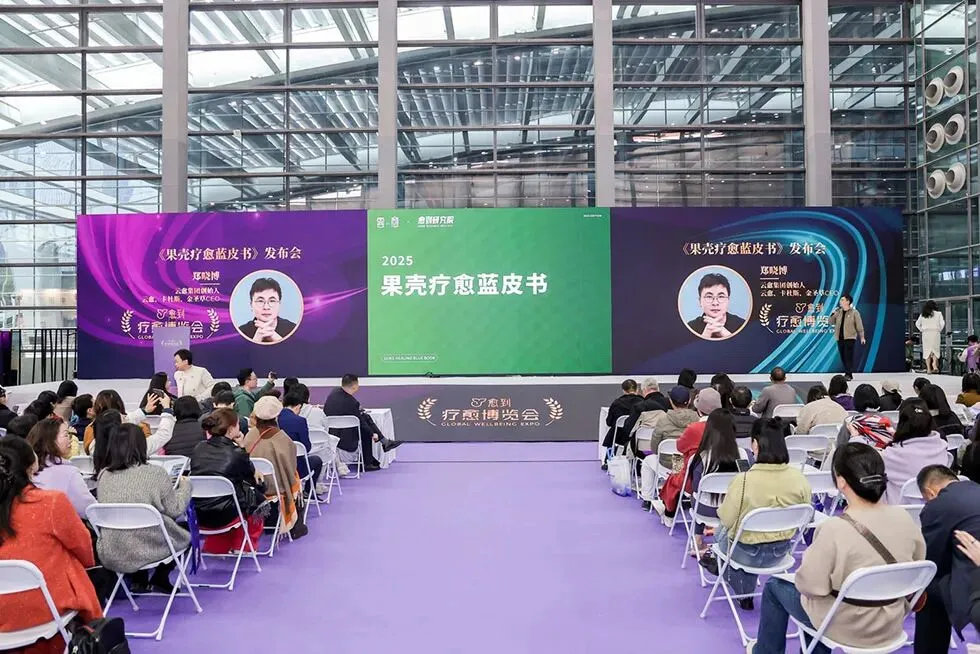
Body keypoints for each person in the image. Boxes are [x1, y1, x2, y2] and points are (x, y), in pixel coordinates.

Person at [751, 443, 926, 654]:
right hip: (891, 623)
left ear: (841, 481)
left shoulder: (833, 529)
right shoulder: (904, 518)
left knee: (775, 587)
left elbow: (811, 587)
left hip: (845, 625)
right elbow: (916, 572)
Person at [0, 437, 103, 654]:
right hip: (47, 607)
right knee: (68, 558)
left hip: (4, 615)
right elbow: (83, 548)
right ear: (32, 465)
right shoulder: (52, 502)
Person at [702, 419, 811, 610]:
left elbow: (726, 518)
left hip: (746, 554)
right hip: (781, 553)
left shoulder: (743, 480)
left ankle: (740, 587)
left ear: (755, 444)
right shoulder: (799, 478)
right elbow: (806, 515)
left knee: (724, 531)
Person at [96, 422, 192, 594]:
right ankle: (160, 576)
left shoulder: (104, 475)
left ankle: (140, 581)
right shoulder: (155, 473)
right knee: (184, 529)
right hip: (148, 548)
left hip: (113, 550)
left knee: (138, 523)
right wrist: (185, 486)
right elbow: (175, 509)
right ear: (141, 445)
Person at [916, 465, 980, 650]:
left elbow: (931, 559)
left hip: (974, 582)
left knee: (928, 586)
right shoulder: (976, 487)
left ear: (930, 492)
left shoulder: (937, 506)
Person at [190, 408, 267, 552]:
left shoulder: (198, 448)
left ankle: (216, 546)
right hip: (226, 514)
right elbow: (251, 480)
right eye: (237, 424)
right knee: (258, 498)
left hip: (198, 513)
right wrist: (242, 447)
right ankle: (244, 545)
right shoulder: (236, 453)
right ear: (231, 429)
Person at [651, 388, 724, 521]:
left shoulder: (694, 428)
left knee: (675, 474)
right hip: (721, 475)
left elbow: (679, 447)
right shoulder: (725, 427)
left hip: (692, 475)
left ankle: (668, 512)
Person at [243, 396, 306, 538]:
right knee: (296, 479)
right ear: (276, 416)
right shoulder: (283, 438)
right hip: (277, 486)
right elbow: (290, 467)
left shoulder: (250, 435)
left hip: (254, 486)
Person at [687, 408, 740, 556]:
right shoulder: (744, 455)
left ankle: (698, 541)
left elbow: (696, 488)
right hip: (734, 511)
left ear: (709, 430)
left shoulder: (701, 457)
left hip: (705, 510)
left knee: (695, 497)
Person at [322, 374, 403, 472]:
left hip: (331, 433)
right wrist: (372, 434)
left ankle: (384, 443)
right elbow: (361, 422)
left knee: (365, 417)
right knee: (364, 428)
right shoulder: (352, 402)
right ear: (354, 386)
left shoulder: (334, 392)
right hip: (344, 437)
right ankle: (367, 462)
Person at [879, 401, 948, 504]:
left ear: (901, 425)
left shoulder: (889, 456)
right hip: (937, 507)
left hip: (899, 510)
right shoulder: (943, 448)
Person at [28, 418, 95, 518]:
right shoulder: (69, 474)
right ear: (50, 441)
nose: (70, 439)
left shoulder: (26, 469)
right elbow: (89, 510)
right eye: (66, 435)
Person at [83, 389, 169, 456]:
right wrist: (167, 410)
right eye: (124, 417)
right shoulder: (135, 447)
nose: (125, 418)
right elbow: (162, 435)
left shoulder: (94, 444)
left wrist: (144, 411)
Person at [280, 389, 326, 496]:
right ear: (298, 407)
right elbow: (306, 447)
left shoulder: (275, 419)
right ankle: (309, 491)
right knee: (317, 460)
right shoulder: (300, 421)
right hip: (296, 467)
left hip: (278, 465)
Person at [237, 277, 299, 344]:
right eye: (260, 301)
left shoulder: (292, 329)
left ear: (279, 304)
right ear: (251, 305)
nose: (266, 307)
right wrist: (256, 340)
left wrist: (277, 339)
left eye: (272, 301)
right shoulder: (241, 332)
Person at [687, 272, 745, 340]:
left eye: (721, 296)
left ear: (728, 300)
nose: (715, 303)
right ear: (700, 301)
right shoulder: (690, 327)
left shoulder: (742, 325)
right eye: (709, 297)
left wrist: (727, 334)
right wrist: (706, 334)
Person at [838, 383, 894, 448]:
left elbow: (841, 445)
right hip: (883, 453)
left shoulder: (850, 421)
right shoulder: (886, 420)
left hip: (858, 453)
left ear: (856, 400)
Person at [623, 378, 671, 449]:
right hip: (666, 447)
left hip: (642, 449)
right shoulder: (671, 404)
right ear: (658, 389)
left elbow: (628, 429)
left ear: (644, 390)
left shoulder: (639, 407)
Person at [829, 293, 865, 380]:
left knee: (848, 356)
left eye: (842, 300)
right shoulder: (838, 312)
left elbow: (859, 326)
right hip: (840, 338)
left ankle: (848, 374)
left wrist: (862, 337)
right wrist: (832, 314)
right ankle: (848, 373)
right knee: (843, 356)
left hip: (850, 338)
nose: (840, 301)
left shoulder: (854, 313)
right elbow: (831, 322)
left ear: (848, 302)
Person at [602, 379, 645, 451]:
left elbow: (609, 422)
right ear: (637, 389)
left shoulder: (616, 403)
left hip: (618, 439)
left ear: (624, 391)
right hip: (637, 439)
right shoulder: (644, 403)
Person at [917, 300, 946, 374]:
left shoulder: (923, 315)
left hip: (926, 334)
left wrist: (922, 330)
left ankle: (928, 369)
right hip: (935, 333)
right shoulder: (938, 314)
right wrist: (939, 329)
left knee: (927, 351)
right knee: (935, 349)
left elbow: (917, 324)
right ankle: (934, 364)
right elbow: (942, 323)